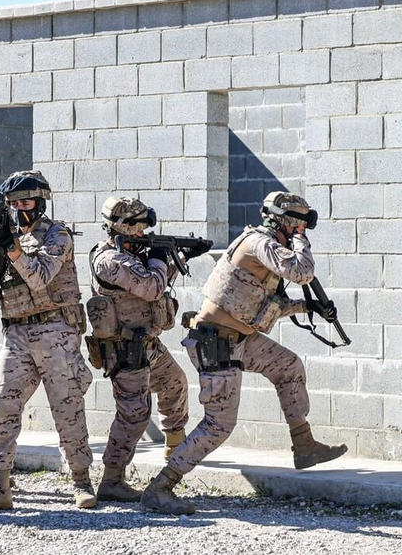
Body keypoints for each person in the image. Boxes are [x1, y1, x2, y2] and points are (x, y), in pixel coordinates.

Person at [142, 192, 347, 515]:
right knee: (219, 424)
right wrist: (301, 240)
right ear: (286, 221)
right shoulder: (259, 243)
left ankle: (304, 445)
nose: (303, 229)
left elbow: (258, 308)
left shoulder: (267, 248)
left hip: (239, 339)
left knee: (288, 366)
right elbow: (303, 272)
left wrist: (308, 306)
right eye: (300, 223)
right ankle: (160, 487)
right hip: (215, 344)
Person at [0, 171, 97, 515]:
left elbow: (40, 278)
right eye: (14, 204)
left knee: (67, 407)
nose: (19, 209)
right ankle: (0, 486)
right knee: (2, 406)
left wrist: (11, 248)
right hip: (17, 333)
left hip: (56, 330)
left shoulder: (57, 235)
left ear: (40, 202)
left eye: (25, 202)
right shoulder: (2, 237)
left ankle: (81, 481)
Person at [85, 196, 189, 504]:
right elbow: (152, 287)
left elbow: (155, 283)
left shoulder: (130, 254)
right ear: (123, 227)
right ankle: (111, 480)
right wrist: (158, 257)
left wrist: (176, 259)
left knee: (175, 384)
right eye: (139, 227)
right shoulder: (110, 260)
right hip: (125, 350)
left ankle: (175, 451)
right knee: (134, 415)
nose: (144, 233)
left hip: (147, 344)